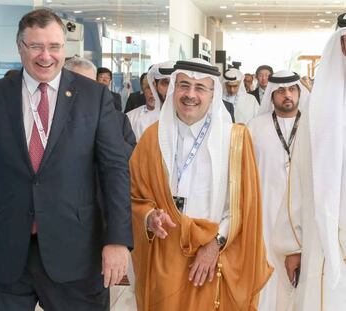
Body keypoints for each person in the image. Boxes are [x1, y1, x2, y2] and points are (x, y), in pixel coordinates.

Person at [0, 9, 132, 311]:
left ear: (64, 48)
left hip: (77, 254)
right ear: (20, 46)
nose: (46, 56)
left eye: (54, 47)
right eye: (36, 46)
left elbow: (115, 172)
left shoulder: (95, 97)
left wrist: (118, 240)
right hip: (5, 252)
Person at [129, 58, 272, 311]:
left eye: (200, 88)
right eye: (184, 86)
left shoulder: (235, 140)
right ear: (174, 88)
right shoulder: (152, 138)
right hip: (165, 255)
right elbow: (135, 196)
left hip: (213, 256)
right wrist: (150, 216)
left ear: (213, 93)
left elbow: (243, 207)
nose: (190, 95)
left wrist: (214, 245)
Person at [272, 13, 346, 310]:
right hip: (323, 245)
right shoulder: (317, 114)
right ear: (340, 47)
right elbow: (298, 183)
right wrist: (292, 246)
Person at [248, 71, 305, 311]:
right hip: (264, 216)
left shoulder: (313, 126)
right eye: (280, 91)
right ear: (271, 96)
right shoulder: (254, 127)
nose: (287, 95)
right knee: (268, 279)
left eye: (292, 89)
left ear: (300, 93)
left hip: (302, 219)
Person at [65, 56, 136, 155]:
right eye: (79, 83)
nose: (86, 89)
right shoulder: (54, 117)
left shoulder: (119, 120)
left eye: (90, 83)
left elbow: (130, 155)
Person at [126, 73, 157, 140]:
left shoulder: (172, 117)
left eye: (156, 88)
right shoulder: (130, 117)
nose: (153, 92)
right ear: (143, 91)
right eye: (149, 88)